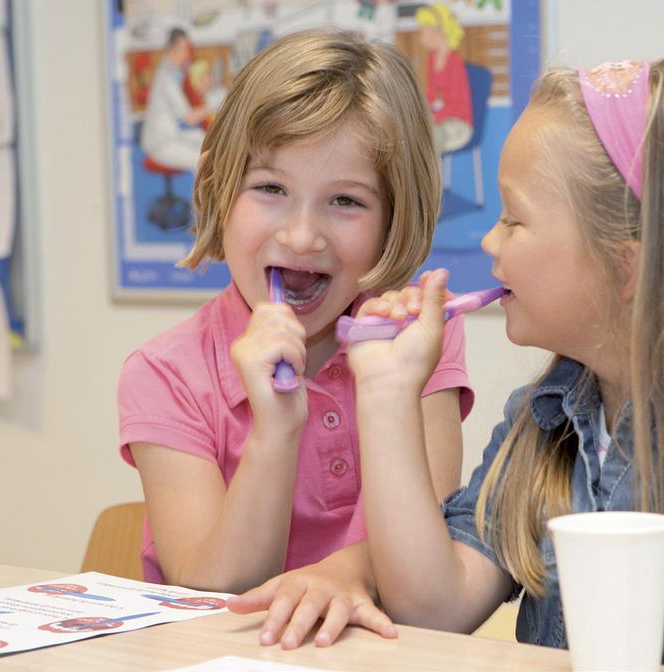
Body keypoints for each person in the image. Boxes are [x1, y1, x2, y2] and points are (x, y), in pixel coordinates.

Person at [231, 56, 664, 669]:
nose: (490, 243)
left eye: (514, 218)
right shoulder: (546, 427)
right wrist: (384, 392)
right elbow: (432, 610)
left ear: (626, 266)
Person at [117, 28, 472, 596]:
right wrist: (277, 429)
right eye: (270, 188)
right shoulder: (165, 374)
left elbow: (423, 561)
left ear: (394, 217)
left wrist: (342, 577)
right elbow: (216, 586)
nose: (302, 236)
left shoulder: (418, 344)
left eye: (346, 201)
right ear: (214, 186)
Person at [140, 27, 207, 171]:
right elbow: (188, 118)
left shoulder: (171, 72)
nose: (186, 54)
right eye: (183, 49)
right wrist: (214, 107)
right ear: (172, 49)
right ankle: (203, 194)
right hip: (160, 142)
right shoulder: (166, 78)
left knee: (202, 138)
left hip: (171, 134)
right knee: (201, 162)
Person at [416, 3, 473, 154]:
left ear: (438, 31)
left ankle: (429, 175)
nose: (421, 36)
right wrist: (424, 112)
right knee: (418, 133)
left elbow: (454, 104)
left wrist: (433, 118)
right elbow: (431, 94)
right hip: (437, 120)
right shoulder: (431, 58)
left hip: (458, 124)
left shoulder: (455, 62)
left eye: (424, 31)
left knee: (429, 137)